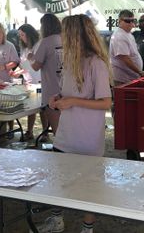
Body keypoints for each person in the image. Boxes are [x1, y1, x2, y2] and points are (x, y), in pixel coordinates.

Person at [37, 14, 112, 233]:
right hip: (66, 133)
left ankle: (87, 227)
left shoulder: (96, 63)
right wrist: (58, 97)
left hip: (87, 136)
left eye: (65, 33)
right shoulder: (70, 60)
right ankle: (57, 218)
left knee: (89, 185)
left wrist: (72, 102)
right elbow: (68, 92)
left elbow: (105, 102)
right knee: (60, 177)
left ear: (75, 35)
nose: (61, 38)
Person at [31, 14, 62, 134]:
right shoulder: (64, 39)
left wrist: (30, 59)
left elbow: (35, 66)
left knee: (57, 130)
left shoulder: (46, 42)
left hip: (51, 89)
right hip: (65, 88)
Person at [10, 23, 41, 140]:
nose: (21, 37)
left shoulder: (39, 45)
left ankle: (44, 132)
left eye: (22, 35)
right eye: (20, 35)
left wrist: (32, 58)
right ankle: (30, 131)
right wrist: (16, 72)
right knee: (30, 108)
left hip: (39, 80)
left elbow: (39, 63)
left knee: (42, 109)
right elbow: (23, 65)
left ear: (29, 34)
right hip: (29, 82)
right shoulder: (24, 48)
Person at [109, 10, 144, 86]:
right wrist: (140, 72)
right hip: (122, 79)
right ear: (120, 21)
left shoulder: (127, 34)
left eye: (132, 21)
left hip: (130, 77)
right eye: (127, 21)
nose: (131, 24)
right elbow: (125, 58)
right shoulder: (119, 36)